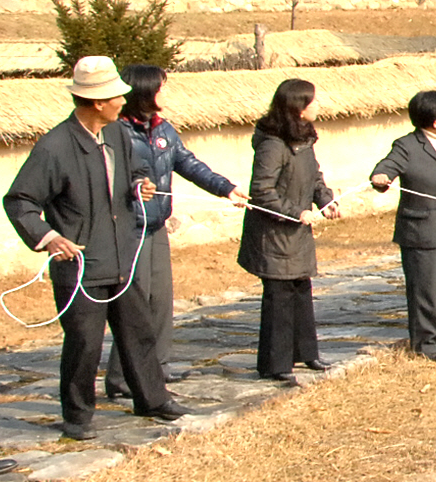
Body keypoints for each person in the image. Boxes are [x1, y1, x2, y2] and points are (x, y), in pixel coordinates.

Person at [4, 57, 186, 440]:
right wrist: (49, 237)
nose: (124, 100)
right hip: (81, 263)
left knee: (138, 332)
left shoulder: (118, 133)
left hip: (122, 254)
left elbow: (134, 170)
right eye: (116, 96)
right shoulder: (54, 147)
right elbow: (19, 200)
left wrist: (139, 184)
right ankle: (78, 416)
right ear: (97, 102)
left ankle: (153, 399)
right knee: (84, 342)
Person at [105, 64, 248, 396]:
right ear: (142, 93)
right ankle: (121, 378)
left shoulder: (163, 129)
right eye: (161, 88)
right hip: (129, 230)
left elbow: (187, 162)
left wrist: (225, 188)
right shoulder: (116, 134)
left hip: (156, 228)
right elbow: (108, 179)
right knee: (134, 306)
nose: (165, 93)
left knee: (161, 302)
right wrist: (134, 188)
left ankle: (157, 368)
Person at [238, 78, 341, 385]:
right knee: (279, 298)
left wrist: (325, 199)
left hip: (297, 235)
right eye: (312, 102)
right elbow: (262, 191)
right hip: (274, 234)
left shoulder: (305, 140)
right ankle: (275, 363)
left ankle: (306, 352)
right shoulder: (272, 144)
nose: (317, 106)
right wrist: (296, 212)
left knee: (301, 291)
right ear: (297, 108)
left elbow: (314, 176)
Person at [370, 91, 436, 362]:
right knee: (424, 288)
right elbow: (387, 167)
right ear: (432, 121)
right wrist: (381, 177)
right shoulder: (407, 145)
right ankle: (424, 341)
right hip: (419, 231)